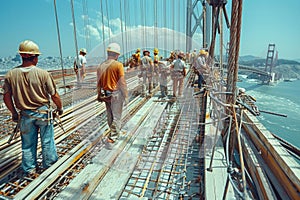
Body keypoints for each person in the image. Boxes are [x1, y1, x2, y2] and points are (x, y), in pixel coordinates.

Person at [2, 40, 63, 174]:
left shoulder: (11, 74)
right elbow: (55, 96)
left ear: (22, 56)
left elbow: (6, 97)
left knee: (28, 144)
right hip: (43, 114)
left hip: (25, 115)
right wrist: (59, 108)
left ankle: (29, 169)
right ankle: (50, 167)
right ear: (34, 57)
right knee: (47, 141)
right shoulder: (43, 74)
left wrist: (14, 113)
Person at [97, 43, 128, 145]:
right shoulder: (118, 65)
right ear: (117, 55)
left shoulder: (101, 66)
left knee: (110, 115)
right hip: (116, 94)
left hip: (106, 94)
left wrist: (99, 95)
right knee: (117, 116)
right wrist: (126, 95)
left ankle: (113, 132)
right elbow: (122, 82)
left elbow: (98, 83)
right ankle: (113, 136)